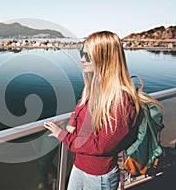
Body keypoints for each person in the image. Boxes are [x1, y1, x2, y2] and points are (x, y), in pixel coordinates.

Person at [44, 31, 159, 190]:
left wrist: (63, 135)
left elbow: (101, 146)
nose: (82, 59)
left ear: (105, 58)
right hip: (80, 165)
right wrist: (72, 122)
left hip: (99, 176)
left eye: (88, 55)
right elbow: (81, 106)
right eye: (82, 53)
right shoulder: (95, 88)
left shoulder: (121, 101)